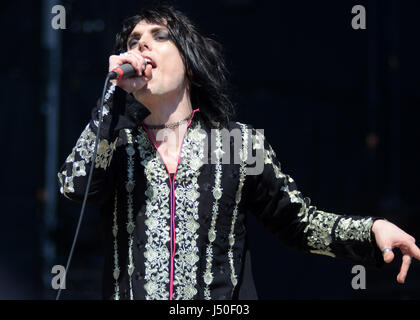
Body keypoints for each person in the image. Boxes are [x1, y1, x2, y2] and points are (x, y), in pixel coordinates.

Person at [58, 5, 420, 300]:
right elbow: (75, 186)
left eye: (159, 37)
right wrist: (112, 108)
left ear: (189, 62)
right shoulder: (115, 140)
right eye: (134, 41)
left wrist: (370, 230)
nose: (142, 48)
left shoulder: (237, 142)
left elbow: (299, 223)